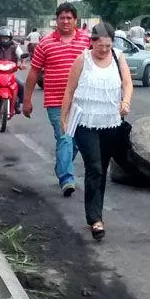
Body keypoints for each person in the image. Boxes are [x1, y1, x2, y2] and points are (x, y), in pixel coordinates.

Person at [60, 22, 133, 240]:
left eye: (108, 46)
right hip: (85, 123)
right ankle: (95, 219)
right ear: (92, 42)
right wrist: (64, 119)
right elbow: (69, 91)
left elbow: (127, 84)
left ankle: (96, 211)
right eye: (100, 45)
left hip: (110, 122)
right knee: (94, 167)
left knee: (101, 167)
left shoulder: (119, 58)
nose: (103, 50)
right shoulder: (82, 60)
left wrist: (126, 102)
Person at [24, 2, 91, 197]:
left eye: (69, 18)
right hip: (55, 101)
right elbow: (34, 72)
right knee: (65, 137)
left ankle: (62, 166)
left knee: (77, 141)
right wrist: (26, 100)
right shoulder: (45, 43)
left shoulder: (86, 42)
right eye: (62, 17)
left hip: (82, 101)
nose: (66, 21)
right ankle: (67, 179)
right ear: (57, 20)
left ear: (75, 20)